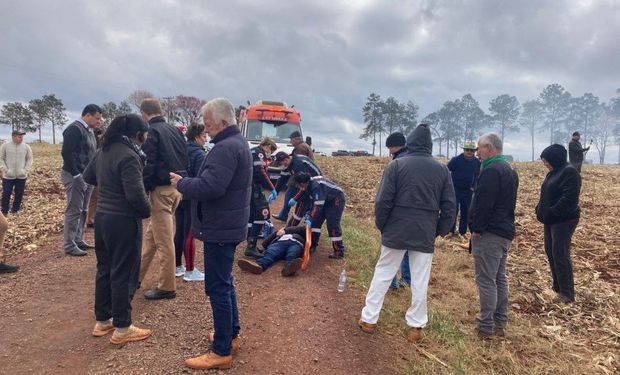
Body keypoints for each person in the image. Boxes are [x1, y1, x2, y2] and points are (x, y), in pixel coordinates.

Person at [171, 98, 252, 370]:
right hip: (227, 225)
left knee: (217, 287)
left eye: (208, 124)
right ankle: (230, 334)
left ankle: (221, 350)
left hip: (220, 227)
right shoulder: (236, 143)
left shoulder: (224, 148)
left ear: (223, 122)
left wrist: (182, 183)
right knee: (225, 282)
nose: (206, 129)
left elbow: (211, 187)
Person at [359, 124, 456, 343]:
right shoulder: (442, 170)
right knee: (420, 280)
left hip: (396, 226)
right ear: (430, 145)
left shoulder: (396, 166)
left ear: (409, 143)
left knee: (383, 273)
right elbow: (450, 206)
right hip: (425, 230)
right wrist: (438, 230)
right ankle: (416, 326)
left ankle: (369, 319)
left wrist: (382, 225)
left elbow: (383, 200)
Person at [83, 114, 152, 345]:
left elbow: (88, 176)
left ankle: (103, 320)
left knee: (104, 269)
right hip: (123, 220)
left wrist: (108, 182)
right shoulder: (130, 155)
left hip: (102, 218)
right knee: (123, 272)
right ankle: (123, 327)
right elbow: (135, 194)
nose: (147, 136)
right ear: (137, 134)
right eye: (145, 132)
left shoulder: (105, 149)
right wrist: (147, 210)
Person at [468, 132, 518, 339]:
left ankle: (485, 326)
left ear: (489, 147)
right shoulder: (509, 170)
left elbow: (483, 204)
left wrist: (476, 228)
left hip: (489, 233)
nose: (477, 152)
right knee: (499, 278)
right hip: (504, 231)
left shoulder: (491, 171)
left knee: (486, 280)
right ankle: (500, 322)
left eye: (479, 148)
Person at [138, 98, 187, 300]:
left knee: (164, 241)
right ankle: (136, 277)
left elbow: (148, 164)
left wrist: (142, 188)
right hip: (177, 188)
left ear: (144, 113)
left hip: (161, 191)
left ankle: (167, 286)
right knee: (152, 237)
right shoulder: (175, 131)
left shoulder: (152, 132)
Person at [536, 144, 581, 304]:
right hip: (551, 219)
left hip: (564, 220)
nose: (545, 164)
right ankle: (557, 287)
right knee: (550, 251)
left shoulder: (570, 173)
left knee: (560, 253)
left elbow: (568, 199)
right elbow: (547, 194)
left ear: (555, 159)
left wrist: (551, 212)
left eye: (547, 161)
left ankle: (567, 293)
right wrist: (540, 209)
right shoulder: (553, 172)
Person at [61, 104, 102, 256]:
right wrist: (76, 174)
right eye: (97, 118)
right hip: (75, 176)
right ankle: (69, 244)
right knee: (74, 209)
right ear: (88, 115)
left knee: (84, 209)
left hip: (87, 176)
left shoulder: (90, 131)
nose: (99, 121)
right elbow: (66, 153)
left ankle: (79, 239)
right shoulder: (74, 129)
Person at [174, 123, 206, 282]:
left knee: (179, 231)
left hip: (178, 194)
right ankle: (190, 270)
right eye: (204, 136)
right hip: (191, 195)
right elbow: (202, 178)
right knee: (189, 233)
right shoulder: (199, 155)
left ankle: (178, 266)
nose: (206, 139)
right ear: (197, 136)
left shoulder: (180, 149)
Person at [292, 173, 346, 259]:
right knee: (315, 222)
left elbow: (317, 206)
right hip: (325, 199)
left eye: (299, 186)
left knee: (332, 225)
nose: (299, 188)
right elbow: (313, 203)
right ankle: (313, 244)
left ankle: (339, 251)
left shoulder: (316, 186)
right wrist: (309, 215)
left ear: (303, 183)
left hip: (336, 199)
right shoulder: (308, 185)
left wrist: (310, 217)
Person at [384, 132, 412, 290]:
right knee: (407, 250)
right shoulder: (413, 159)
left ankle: (391, 283)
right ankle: (406, 280)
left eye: (390, 147)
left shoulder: (398, 162)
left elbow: (389, 194)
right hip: (413, 214)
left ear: (397, 146)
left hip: (398, 212)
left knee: (393, 249)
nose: (389, 151)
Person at [245, 137, 278, 258]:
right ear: (268, 146)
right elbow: (261, 171)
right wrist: (272, 187)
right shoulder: (259, 153)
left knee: (252, 216)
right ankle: (251, 246)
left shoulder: (252, 151)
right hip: (254, 188)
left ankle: (250, 244)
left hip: (249, 187)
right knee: (263, 213)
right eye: (271, 150)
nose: (270, 154)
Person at [272, 152, 322, 226]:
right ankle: (286, 217)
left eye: (281, 163)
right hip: (303, 180)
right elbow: (282, 178)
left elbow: (304, 185)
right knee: (290, 194)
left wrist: (296, 198)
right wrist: (275, 191)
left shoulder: (299, 164)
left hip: (314, 181)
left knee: (304, 200)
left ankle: (309, 218)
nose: (281, 166)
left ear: (286, 160)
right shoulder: (288, 164)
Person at [238, 226, 306, 277]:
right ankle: (259, 266)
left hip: (296, 243)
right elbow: (267, 242)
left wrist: (285, 230)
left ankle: (289, 268)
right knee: (271, 252)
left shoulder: (301, 232)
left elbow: (302, 229)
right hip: (280, 242)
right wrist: (265, 246)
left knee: (292, 253)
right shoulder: (280, 233)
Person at [447, 142, 481, 238]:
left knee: (466, 211)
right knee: (454, 210)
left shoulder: (477, 162)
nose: (469, 152)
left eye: (472, 150)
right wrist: (449, 185)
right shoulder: (456, 160)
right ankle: (450, 231)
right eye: (467, 150)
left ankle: (463, 232)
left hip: (468, 191)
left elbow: (479, 175)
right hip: (455, 189)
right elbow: (446, 171)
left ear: (475, 151)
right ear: (464, 150)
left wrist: (474, 186)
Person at [0, 130, 33, 215]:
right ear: (13, 137)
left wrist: (25, 170)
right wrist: (6, 170)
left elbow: (29, 159)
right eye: (19, 136)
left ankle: (15, 210)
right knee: (6, 193)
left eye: (22, 136)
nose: (21, 138)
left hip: (21, 176)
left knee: (19, 194)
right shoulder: (5, 146)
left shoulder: (26, 147)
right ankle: (4, 211)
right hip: (8, 176)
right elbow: (1, 158)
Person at [86, 127, 104, 228]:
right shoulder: (92, 142)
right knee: (93, 197)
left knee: (95, 197)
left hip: (96, 170)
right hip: (92, 171)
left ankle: (91, 219)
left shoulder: (100, 144)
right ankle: (89, 219)